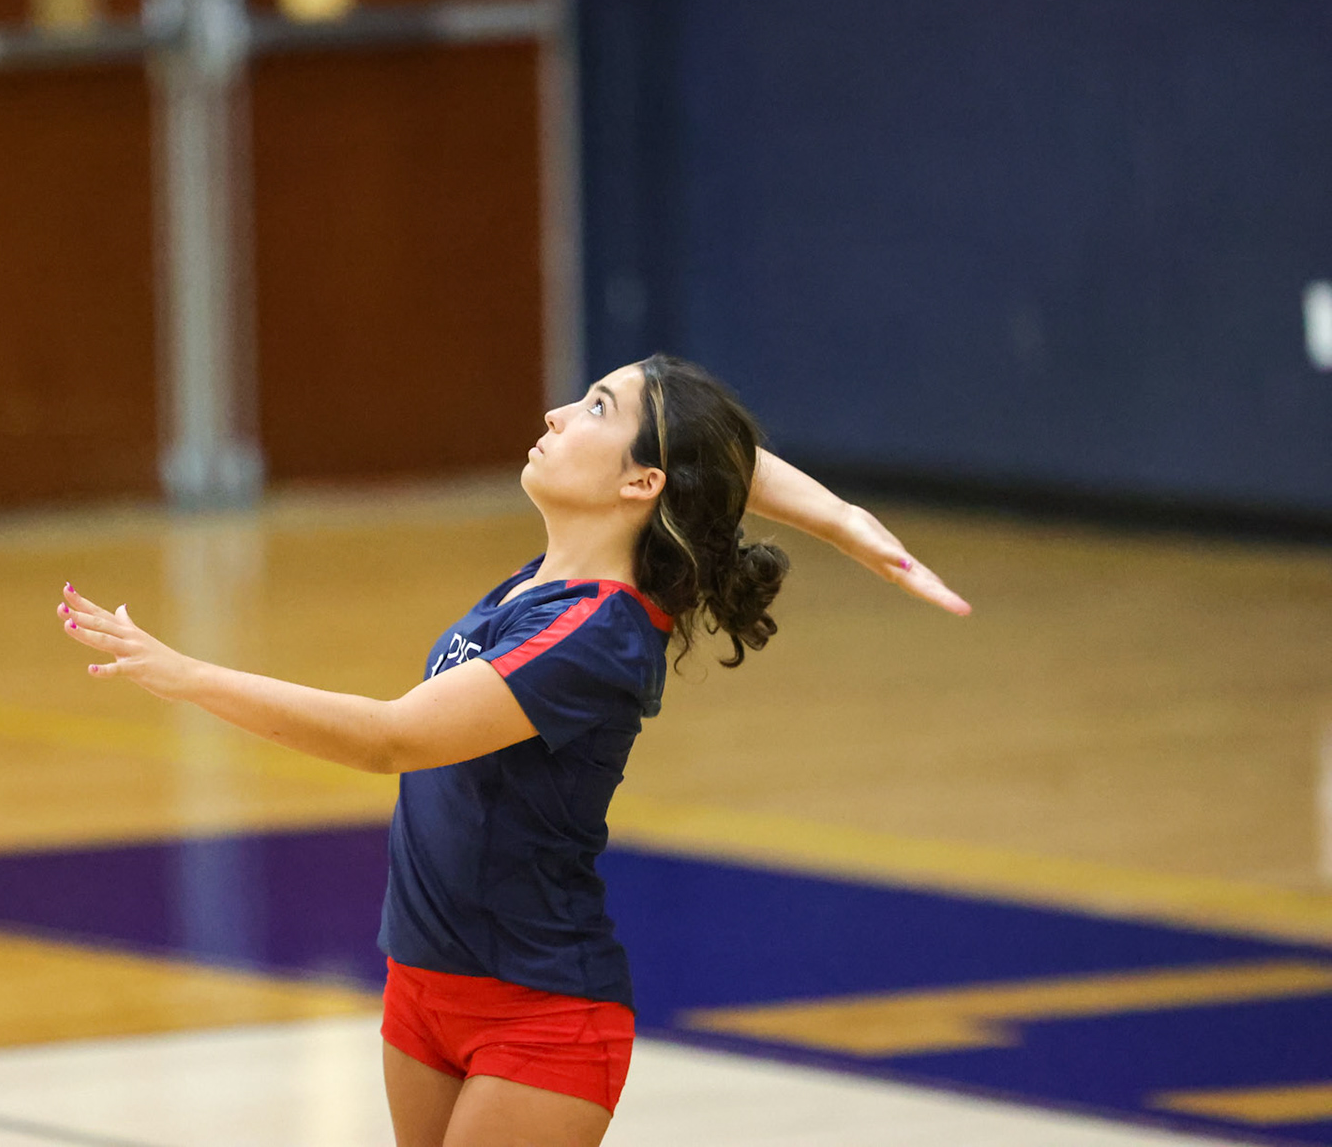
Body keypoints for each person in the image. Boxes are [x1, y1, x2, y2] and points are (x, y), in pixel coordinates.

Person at [59, 354, 970, 1147]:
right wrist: (844, 520)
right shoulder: (542, 583)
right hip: (422, 981)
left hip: (539, 1012)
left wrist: (186, 676)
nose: (557, 414)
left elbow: (390, 739)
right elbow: (711, 453)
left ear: (641, 483)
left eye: (597, 408)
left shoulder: (597, 633)